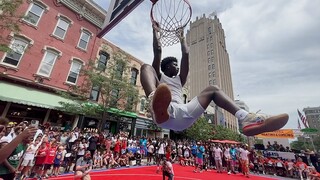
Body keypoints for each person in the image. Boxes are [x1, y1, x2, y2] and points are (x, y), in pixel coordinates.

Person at [140, 22, 289, 136]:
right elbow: (158, 50)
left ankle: (245, 118)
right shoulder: (159, 76)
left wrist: (182, 38)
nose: (178, 67)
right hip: (165, 113)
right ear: (166, 67)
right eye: (174, 65)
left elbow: (186, 54)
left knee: (213, 89)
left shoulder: (180, 80)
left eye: (177, 65)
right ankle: (154, 103)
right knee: (146, 67)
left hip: (183, 113)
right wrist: (155, 32)